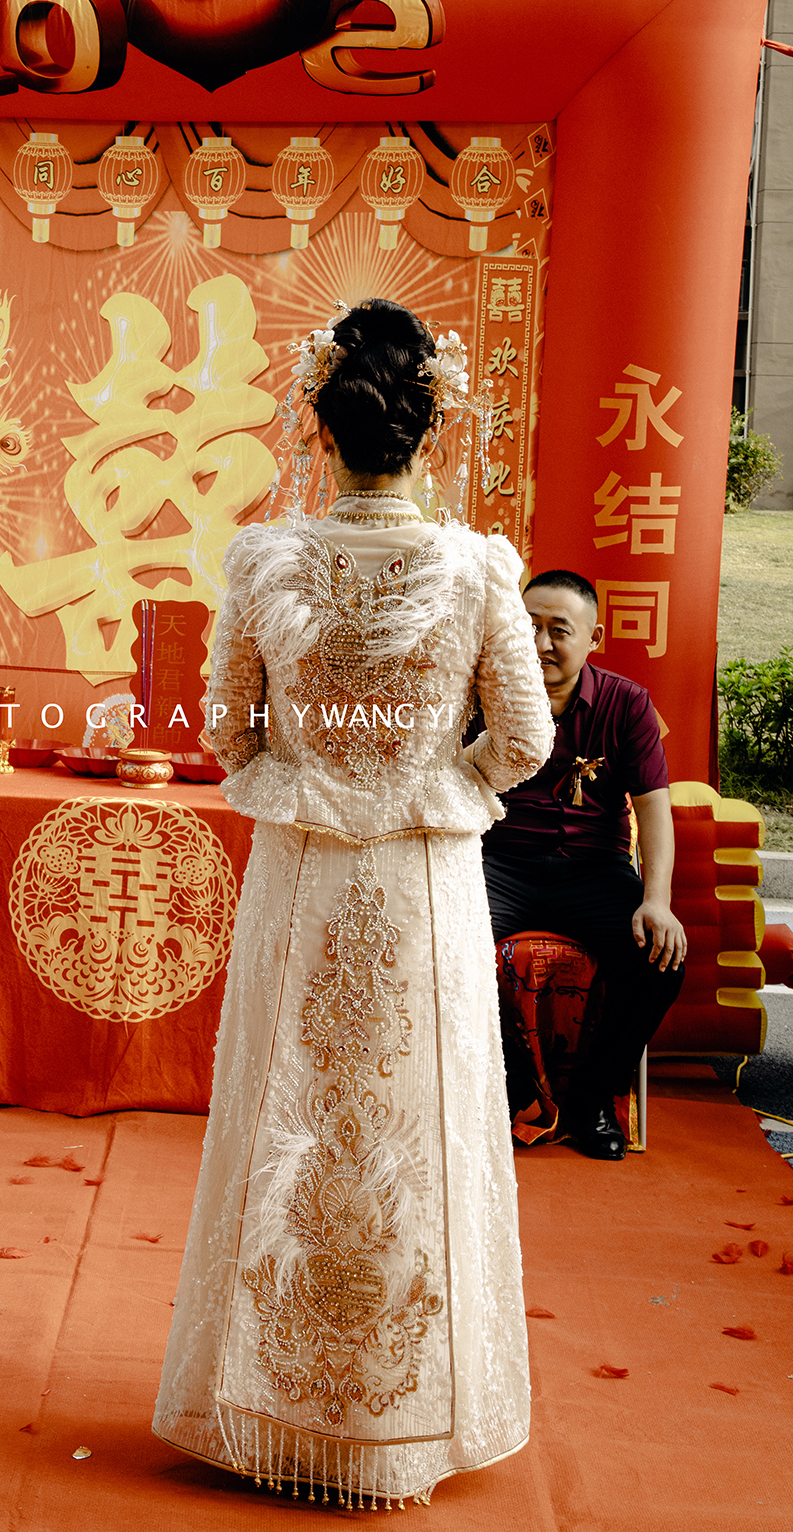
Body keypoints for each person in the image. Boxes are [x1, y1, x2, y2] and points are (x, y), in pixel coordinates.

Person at [153, 299, 554, 1509]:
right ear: (434, 426)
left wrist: (315, 765)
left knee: (292, 1116)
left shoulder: (265, 562)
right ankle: (402, 1419)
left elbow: (228, 733)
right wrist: (435, 777)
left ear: (319, 426)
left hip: (305, 878)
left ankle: (275, 1406)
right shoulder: (478, 568)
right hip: (425, 883)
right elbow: (524, 740)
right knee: (419, 1127)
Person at [481, 570, 685, 1162]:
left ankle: (592, 1098)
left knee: (659, 957)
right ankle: (513, 1087)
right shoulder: (483, 693)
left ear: (593, 638)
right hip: (500, 864)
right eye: (528, 627)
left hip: (594, 871)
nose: (540, 644)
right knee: (439, 942)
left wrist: (657, 899)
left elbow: (654, 810)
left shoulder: (626, 703)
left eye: (558, 630)